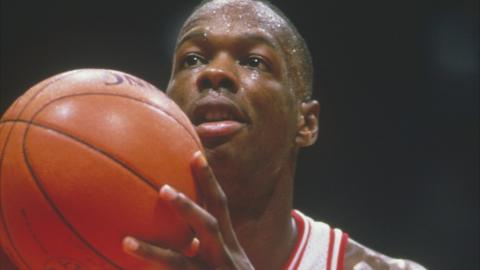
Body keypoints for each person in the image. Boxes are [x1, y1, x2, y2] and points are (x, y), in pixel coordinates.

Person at [120, 0, 427, 269]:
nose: (214, 72)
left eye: (255, 61)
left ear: (305, 123)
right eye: (193, 59)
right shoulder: (104, 252)